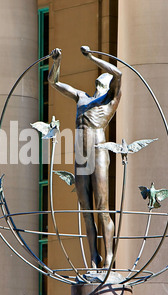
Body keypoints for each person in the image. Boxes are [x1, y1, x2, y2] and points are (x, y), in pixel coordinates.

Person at [48, 46, 122, 269]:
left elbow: (119, 74)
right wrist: (57, 62)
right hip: (81, 155)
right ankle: (93, 257)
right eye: (99, 81)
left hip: (98, 152)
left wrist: (91, 57)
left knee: (101, 208)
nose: (100, 83)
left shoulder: (110, 100)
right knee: (86, 210)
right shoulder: (82, 97)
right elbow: (54, 83)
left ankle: (109, 256)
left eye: (104, 81)